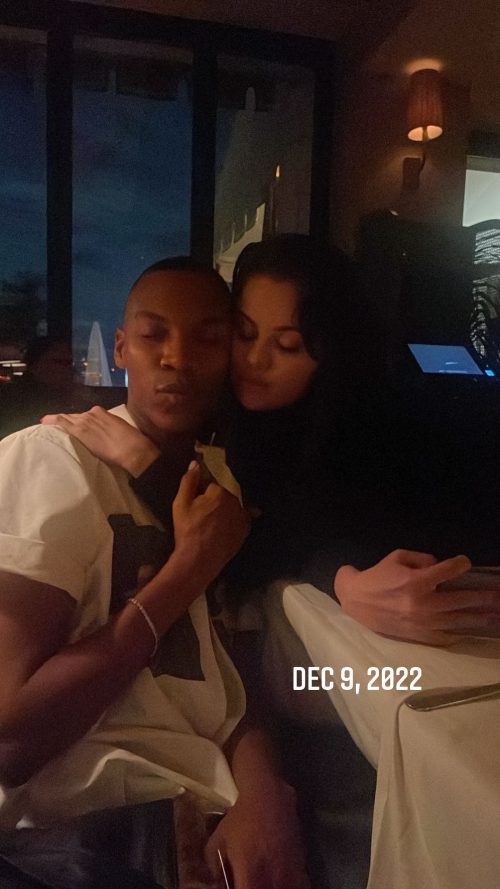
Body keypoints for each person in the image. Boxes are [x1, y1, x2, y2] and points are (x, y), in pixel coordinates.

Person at [0, 258, 310, 889]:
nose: (177, 358)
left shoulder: (218, 483)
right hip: (95, 823)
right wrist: (185, 571)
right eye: (153, 334)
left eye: (208, 338)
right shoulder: (52, 458)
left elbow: (227, 674)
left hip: (213, 803)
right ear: (121, 348)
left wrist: (265, 794)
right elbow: (11, 738)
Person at [42, 237, 500, 645]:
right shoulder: (228, 416)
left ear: (331, 353)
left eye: (287, 346)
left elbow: (275, 539)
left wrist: (146, 462)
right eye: (244, 334)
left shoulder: (370, 426)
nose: (255, 359)